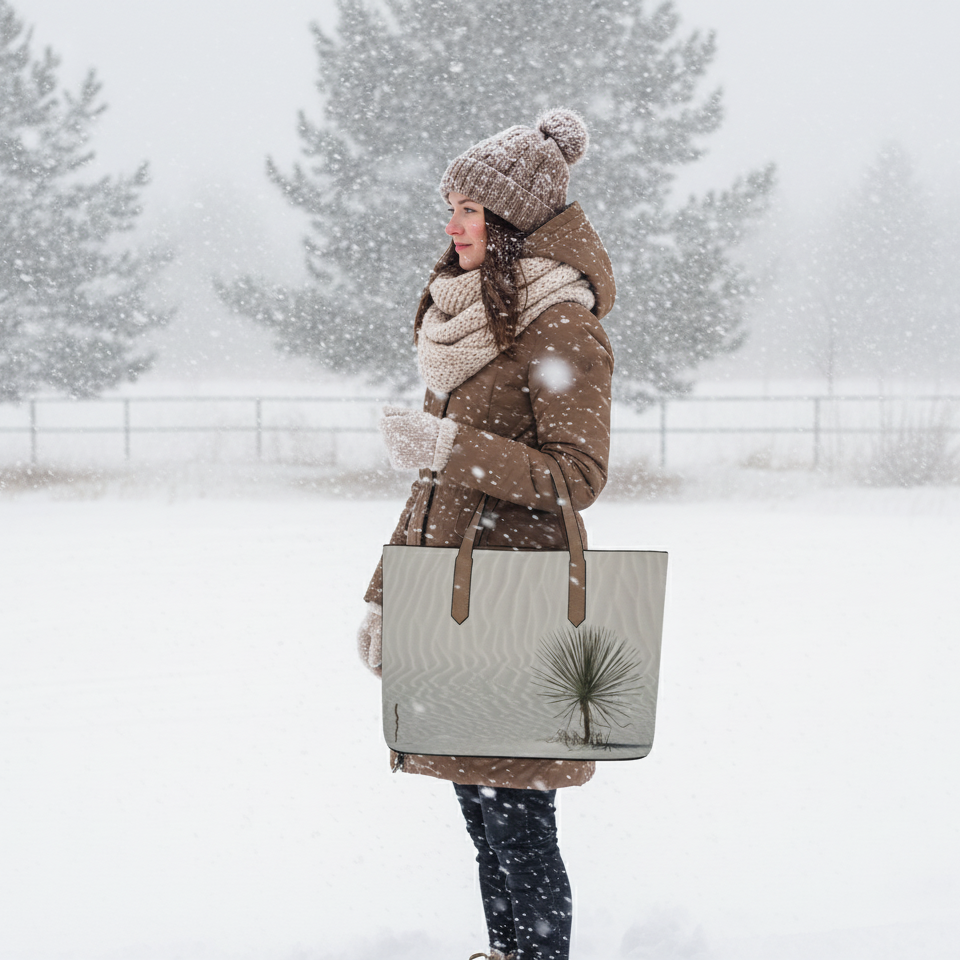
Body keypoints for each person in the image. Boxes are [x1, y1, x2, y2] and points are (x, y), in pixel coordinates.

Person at [356, 109, 615, 960]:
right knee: (481, 814)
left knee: (520, 822)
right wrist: (384, 595)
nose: (452, 222)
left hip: (514, 603)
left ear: (510, 221)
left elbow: (577, 476)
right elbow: (436, 488)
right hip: (454, 599)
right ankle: (508, 953)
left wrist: (452, 447)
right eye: (451, 204)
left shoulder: (560, 327)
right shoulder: (476, 328)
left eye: (469, 206)